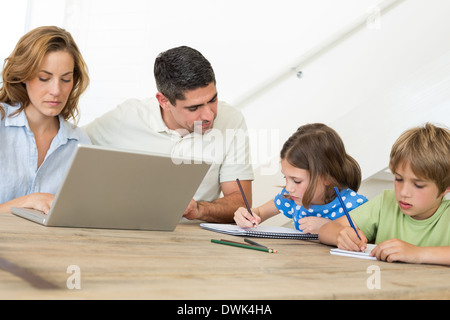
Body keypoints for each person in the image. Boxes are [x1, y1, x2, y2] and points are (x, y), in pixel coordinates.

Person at [83, 46, 254, 223]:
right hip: (127, 231)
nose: (209, 115)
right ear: (164, 101)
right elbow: (70, 148)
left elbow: (241, 203)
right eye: (193, 108)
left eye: (212, 100)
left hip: (194, 240)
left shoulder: (231, 120)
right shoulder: (127, 116)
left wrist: (199, 210)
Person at [319, 123, 450, 265]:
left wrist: (418, 253)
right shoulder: (386, 202)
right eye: (399, 179)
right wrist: (340, 235)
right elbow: (326, 229)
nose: (404, 192)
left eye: (418, 185)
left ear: (446, 188)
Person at [0, 26, 91, 214]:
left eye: (65, 79)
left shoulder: (79, 143)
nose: (56, 91)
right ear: (23, 76)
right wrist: (29, 201)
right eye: (44, 78)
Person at [234, 123, 368, 234]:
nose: (288, 188)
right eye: (285, 177)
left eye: (297, 181)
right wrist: (246, 215)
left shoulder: (356, 206)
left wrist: (327, 227)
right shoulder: (290, 198)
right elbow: (259, 212)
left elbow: (365, 240)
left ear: (327, 177)